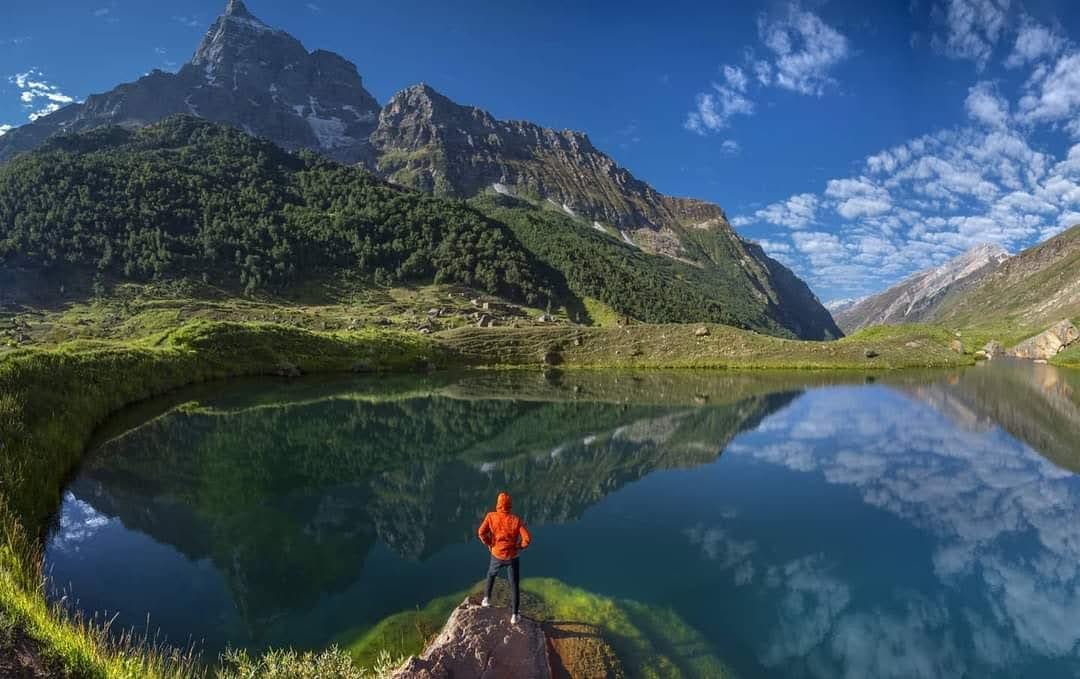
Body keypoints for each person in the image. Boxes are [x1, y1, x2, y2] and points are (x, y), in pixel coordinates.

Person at [477, 491, 531, 624]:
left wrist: (490, 543)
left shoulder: (491, 516)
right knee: (514, 585)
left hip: (496, 555)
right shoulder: (516, 520)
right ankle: (514, 615)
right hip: (512, 557)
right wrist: (519, 547)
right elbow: (527, 539)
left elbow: (480, 533)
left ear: (498, 504)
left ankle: (486, 599)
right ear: (510, 506)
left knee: (491, 575)